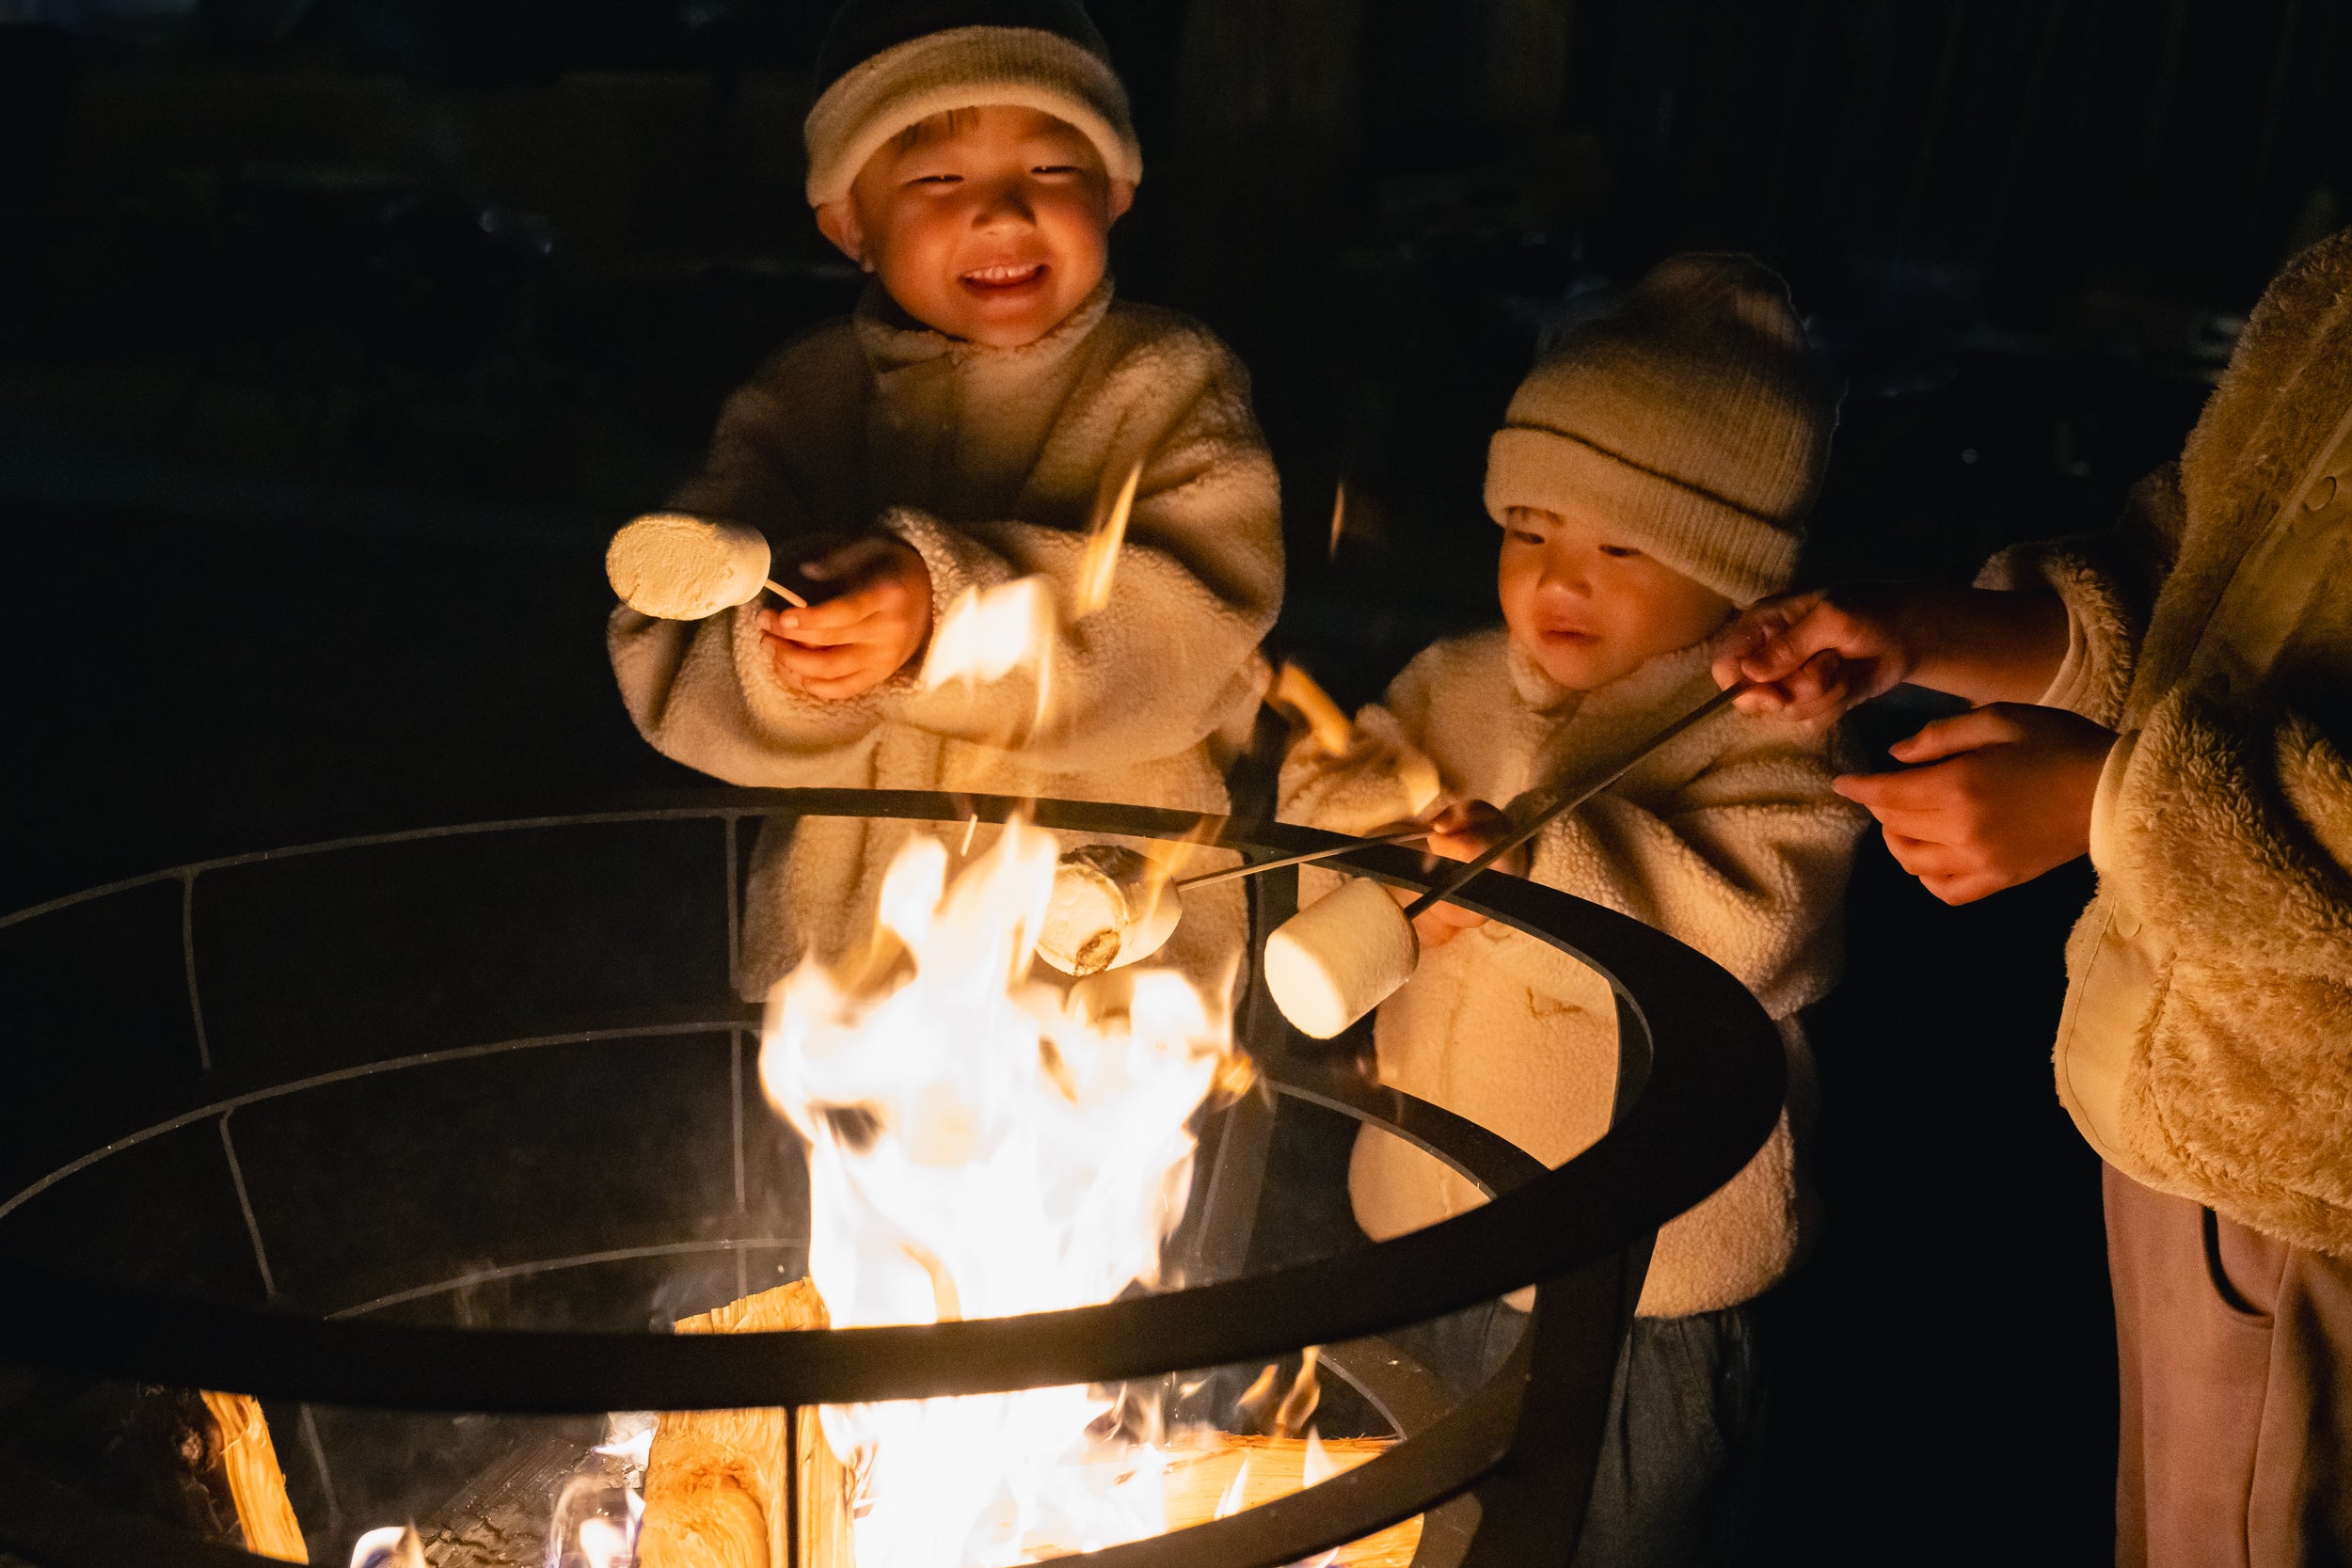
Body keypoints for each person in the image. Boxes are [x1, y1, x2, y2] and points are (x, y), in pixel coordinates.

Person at [1715, 230, 2352, 1566]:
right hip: (2180, 1119)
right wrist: (1930, 631)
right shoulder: (2333, 295)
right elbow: (2189, 581)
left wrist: (2110, 804)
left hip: (2312, 1182)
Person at [1280, 255, 1867, 1566]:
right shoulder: (1454, 681)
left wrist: (1543, 869)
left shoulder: (1766, 732)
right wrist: (1381, 854)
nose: (1559, 577)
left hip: (1642, 1274)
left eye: (1620, 546)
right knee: (1415, 1513)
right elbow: (1332, 807)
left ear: (1734, 568)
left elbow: (1753, 926)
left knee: (1610, 1532)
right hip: (1428, 1231)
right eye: (1529, 529)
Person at [609, 0, 1281, 995]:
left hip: (1101, 957)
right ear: (851, 222)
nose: (1003, 213)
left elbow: (1196, 632)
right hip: (851, 979)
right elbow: (672, 649)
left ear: (1116, 191)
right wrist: (793, 665)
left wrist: (948, 619)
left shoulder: (1165, 383)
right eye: (937, 179)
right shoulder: (802, 400)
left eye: (1049, 169)